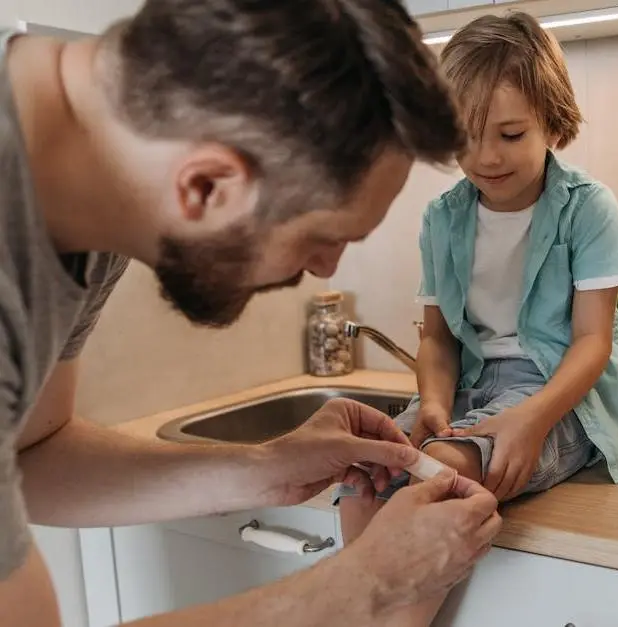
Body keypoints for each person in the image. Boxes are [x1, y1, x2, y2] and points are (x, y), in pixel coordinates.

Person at [0, 1, 503, 626]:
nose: (326, 269)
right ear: (207, 186)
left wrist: (261, 469)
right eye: (323, 236)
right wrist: (367, 583)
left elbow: (34, 455)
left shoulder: (86, 197)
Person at [336, 11, 618, 625]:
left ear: (553, 122)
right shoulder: (442, 219)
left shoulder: (588, 209)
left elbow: (591, 343)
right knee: (365, 473)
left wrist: (529, 421)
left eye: (509, 135)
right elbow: (439, 340)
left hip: (559, 397)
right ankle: (363, 616)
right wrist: (431, 402)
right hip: (474, 387)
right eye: (467, 135)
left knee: (436, 479)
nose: (485, 156)